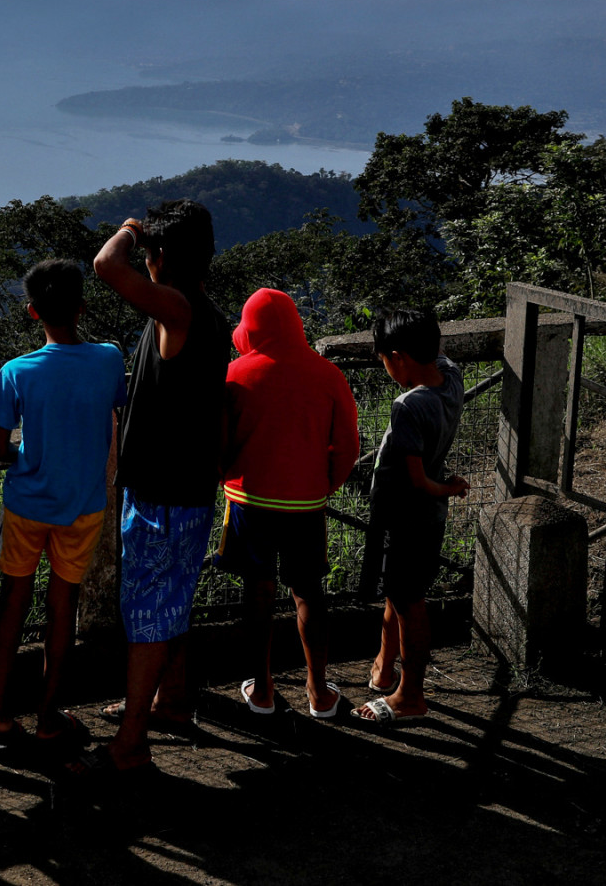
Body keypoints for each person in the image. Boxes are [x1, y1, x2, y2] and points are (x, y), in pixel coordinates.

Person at [87, 199, 231, 775]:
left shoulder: (177, 309)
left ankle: (130, 744)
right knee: (170, 602)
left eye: (148, 253)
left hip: (162, 497)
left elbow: (104, 266)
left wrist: (126, 229)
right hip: (186, 488)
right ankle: (169, 701)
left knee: (146, 613)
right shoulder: (208, 313)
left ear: (161, 258)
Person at [0, 259, 128, 758]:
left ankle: (0, 718)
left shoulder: (16, 372)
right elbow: (110, 413)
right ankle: (47, 717)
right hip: (83, 506)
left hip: (26, 504)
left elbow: (0, 449)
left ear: (31, 311)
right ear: (82, 308)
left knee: (12, 606)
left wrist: (29, 455)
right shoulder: (109, 359)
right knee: (61, 607)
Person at [219, 288, 361, 719]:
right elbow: (349, 446)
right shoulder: (328, 374)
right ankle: (319, 691)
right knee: (308, 594)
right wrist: (323, 485)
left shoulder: (234, 375)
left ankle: (262, 691)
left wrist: (229, 479)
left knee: (257, 593)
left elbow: (221, 446)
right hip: (306, 505)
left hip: (248, 501)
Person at [355, 308, 468, 725]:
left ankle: (411, 695)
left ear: (398, 357)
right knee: (399, 591)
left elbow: (419, 481)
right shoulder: (451, 378)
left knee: (409, 601)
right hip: (426, 519)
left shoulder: (408, 406)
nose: (384, 365)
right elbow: (440, 355)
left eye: (384, 357)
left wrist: (450, 487)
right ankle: (385, 668)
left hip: (407, 515)